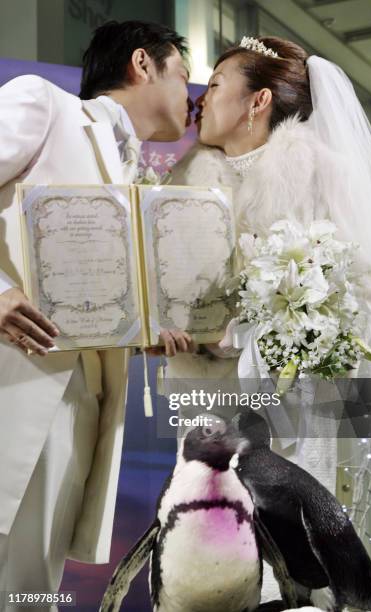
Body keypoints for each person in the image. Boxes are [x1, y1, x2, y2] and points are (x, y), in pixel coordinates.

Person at [169, 35, 371, 604]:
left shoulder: (323, 172)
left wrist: (296, 337)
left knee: (297, 545)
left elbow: (366, 286)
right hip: (208, 399)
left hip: (299, 404)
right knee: (211, 539)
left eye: (218, 83)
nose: (203, 97)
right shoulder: (185, 185)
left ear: (257, 101)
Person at [0, 19, 195, 611]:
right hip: (13, 387)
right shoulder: (44, 104)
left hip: (82, 411)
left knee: (29, 591)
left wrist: (140, 327)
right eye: (184, 75)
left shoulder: (132, 174)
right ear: (143, 64)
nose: (191, 95)